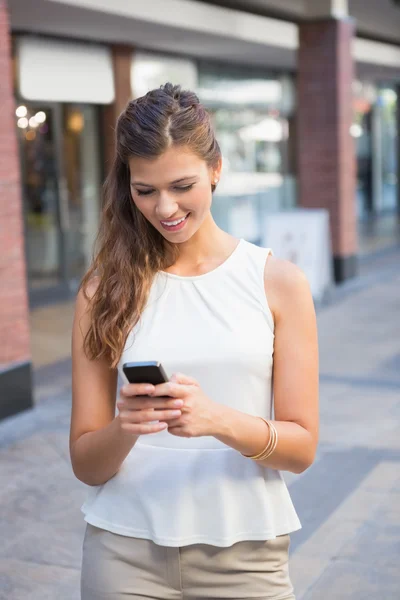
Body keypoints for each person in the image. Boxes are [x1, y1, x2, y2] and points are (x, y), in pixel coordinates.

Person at [70, 83, 319, 600]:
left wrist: (216, 420)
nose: (165, 208)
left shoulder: (278, 283)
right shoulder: (102, 291)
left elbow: (301, 448)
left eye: (182, 185)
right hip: (123, 553)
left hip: (246, 556)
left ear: (216, 169)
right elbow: (86, 463)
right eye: (145, 190)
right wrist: (126, 427)